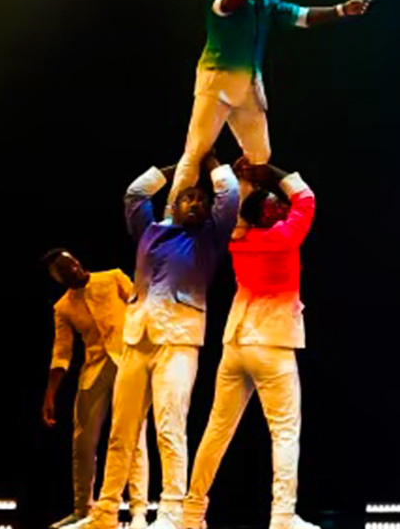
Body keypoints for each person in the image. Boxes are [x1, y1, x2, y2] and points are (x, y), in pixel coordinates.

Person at [69, 154, 240, 529]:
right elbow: (134, 193)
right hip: (137, 337)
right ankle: (106, 511)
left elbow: (229, 195)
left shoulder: (208, 238)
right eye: (189, 197)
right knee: (121, 431)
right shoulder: (149, 231)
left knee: (169, 427)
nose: (197, 203)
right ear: (175, 202)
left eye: (202, 200)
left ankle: (171, 512)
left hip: (177, 341)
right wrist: (180, 166)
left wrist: (207, 162)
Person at [171, 0, 370, 198]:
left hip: (249, 86)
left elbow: (301, 15)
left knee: (259, 158)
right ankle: (171, 217)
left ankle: (242, 221)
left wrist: (341, 10)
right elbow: (223, 6)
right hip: (217, 79)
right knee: (197, 150)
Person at [182, 160, 317, 529]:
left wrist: (236, 176)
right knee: (285, 431)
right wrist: (268, 169)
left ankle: (192, 512)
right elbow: (306, 199)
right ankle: (283, 517)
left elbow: (240, 216)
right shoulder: (283, 236)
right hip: (272, 343)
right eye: (276, 203)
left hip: (236, 343)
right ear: (268, 212)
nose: (282, 206)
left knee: (216, 429)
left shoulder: (239, 241)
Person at [41, 250, 151, 528]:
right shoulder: (63, 307)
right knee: (82, 441)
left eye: (75, 263)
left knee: (132, 436)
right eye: (66, 271)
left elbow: (141, 306)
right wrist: (50, 394)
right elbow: (62, 352)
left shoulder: (111, 277)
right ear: (59, 278)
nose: (75, 270)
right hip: (95, 367)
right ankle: (82, 510)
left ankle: (139, 509)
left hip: (128, 357)